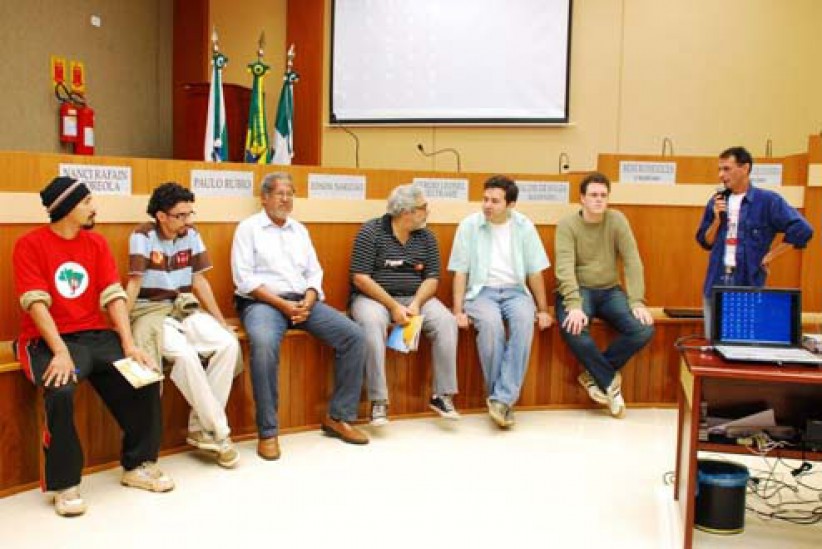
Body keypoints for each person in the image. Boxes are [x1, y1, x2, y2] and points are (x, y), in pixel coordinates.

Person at [12, 177, 173, 517]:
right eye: (87, 202)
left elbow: (113, 296)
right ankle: (65, 484)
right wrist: (59, 351)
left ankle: (137, 465)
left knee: (145, 378)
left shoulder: (96, 243)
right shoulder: (29, 245)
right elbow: (35, 303)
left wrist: (129, 344)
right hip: (46, 340)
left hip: (96, 335)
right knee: (60, 389)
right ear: (67, 207)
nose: (93, 208)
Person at [231, 172, 368, 459]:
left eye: (290, 194)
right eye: (279, 194)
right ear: (264, 198)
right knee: (264, 345)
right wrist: (282, 305)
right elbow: (244, 279)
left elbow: (314, 272)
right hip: (263, 303)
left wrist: (309, 298)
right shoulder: (248, 228)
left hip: (303, 302)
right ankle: (268, 431)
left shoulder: (299, 230)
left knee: (354, 336)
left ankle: (339, 417)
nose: (286, 199)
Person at [125, 182, 241, 469]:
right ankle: (219, 432)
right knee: (185, 356)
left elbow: (199, 281)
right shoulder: (142, 235)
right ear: (161, 216)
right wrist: (123, 329)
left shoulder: (191, 234)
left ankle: (201, 427)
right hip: (150, 310)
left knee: (227, 344)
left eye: (190, 213)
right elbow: (135, 282)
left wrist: (220, 321)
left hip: (183, 306)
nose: (188, 220)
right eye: (181, 215)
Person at [350, 184, 459, 426]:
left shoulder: (426, 237)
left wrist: (417, 303)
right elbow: (360, 278)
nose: (428, 211)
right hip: (373, 299)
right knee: (371, 324)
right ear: (406, 212)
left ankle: (442, 395)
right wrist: (392, 306)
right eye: (423, 207)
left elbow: (432, 279)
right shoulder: (371, 231)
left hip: (414, 297)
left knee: (446, 321)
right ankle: (378, 401)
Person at [448, 175, 552, 428]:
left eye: (495, 201)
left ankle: (500, 399)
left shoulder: (524, 226)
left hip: (516, 291)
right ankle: (502, 401)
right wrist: (458, 310)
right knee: (491, 327)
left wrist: (542, 309)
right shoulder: (469, 226)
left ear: (511, 204)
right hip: (481, 292)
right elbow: (460, 271)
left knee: (524, 322)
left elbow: (535, 272)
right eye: (485, 199)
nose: (487, 205)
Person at [554, 172, 654, 419]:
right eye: (593, 195)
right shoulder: (567, 225)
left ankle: (594, 376)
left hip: (610, 290)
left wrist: (636, 300)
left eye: (603, 195)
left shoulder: (617, 220)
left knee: (643, 328)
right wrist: (574, 304)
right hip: (578, 290)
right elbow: (564, 268)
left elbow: (632, 261)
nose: (599, 200)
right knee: (573, 327)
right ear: (582, 198)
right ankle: (610, 383)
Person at [696, 146, 813, 337]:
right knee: (714, 341)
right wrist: (717, 220)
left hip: (748, 283)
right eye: (719, 169)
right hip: (717, 281)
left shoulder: (768, 201)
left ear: (745, 168)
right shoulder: (716, 201)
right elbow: (705, 242)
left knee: (744, 341)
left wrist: (770, 256)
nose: (721, 175)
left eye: (726, 169)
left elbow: (803, 229)